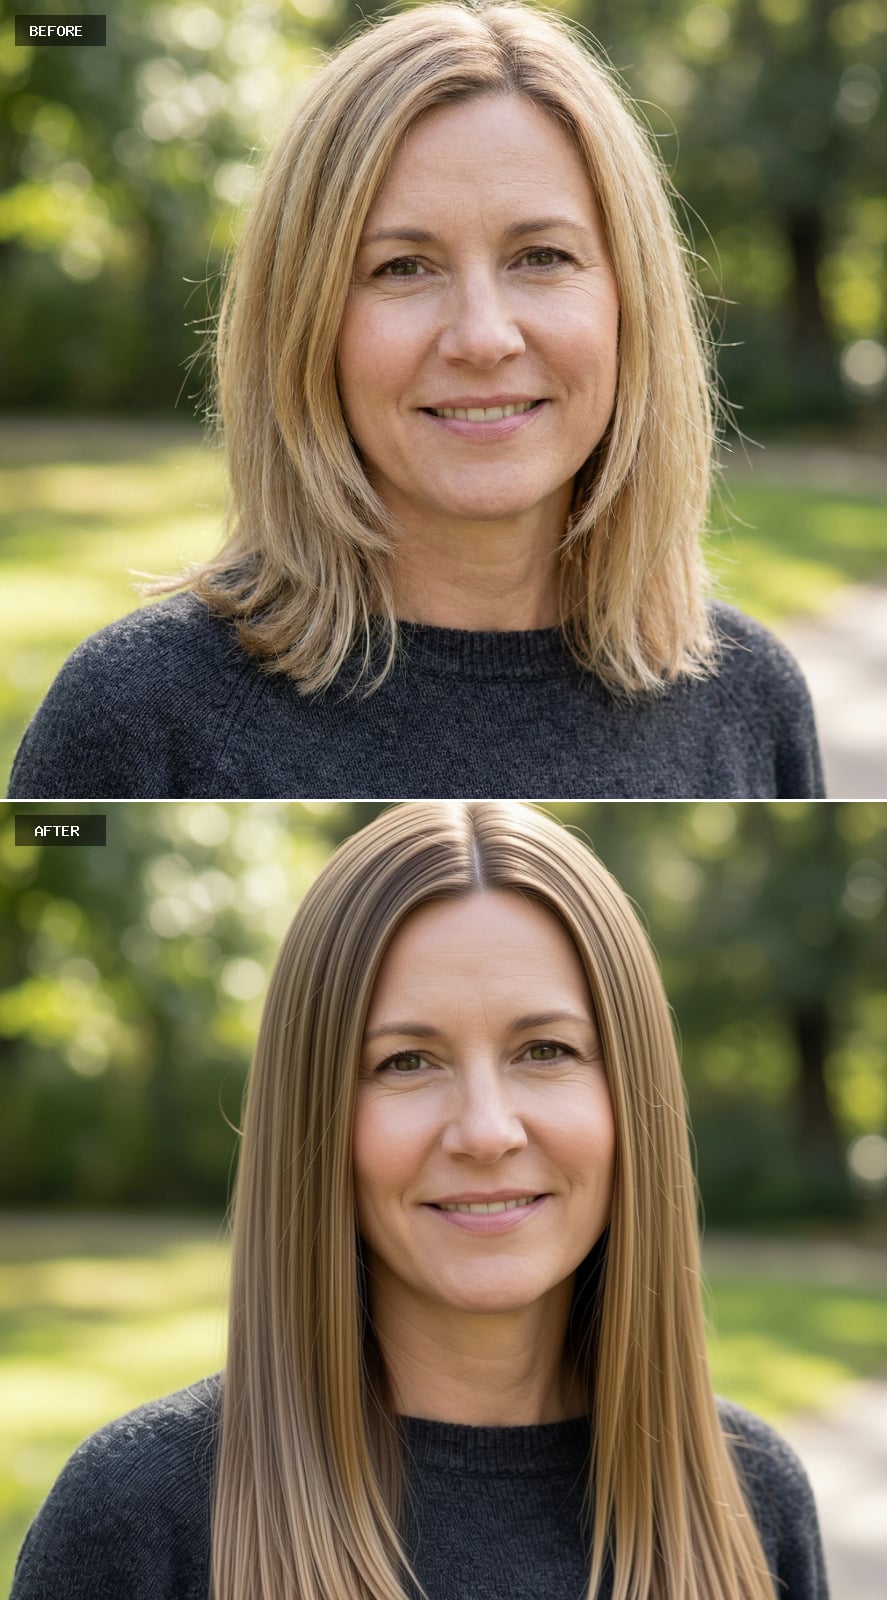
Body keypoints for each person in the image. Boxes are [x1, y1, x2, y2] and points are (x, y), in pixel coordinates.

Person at [11, 801, 829, 1599]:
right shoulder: (136, 1517)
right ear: (313, 1117)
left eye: (546, 1050)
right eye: (406, 1062)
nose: (485, 1130)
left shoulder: (754, 1503)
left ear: (631, 1096)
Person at [8, 2, 822, 801]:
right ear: (304, 322)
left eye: (540, 256)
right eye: (402, 267)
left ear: (629, 303)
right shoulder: (138, 718)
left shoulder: (752, 703)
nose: (482, 336)